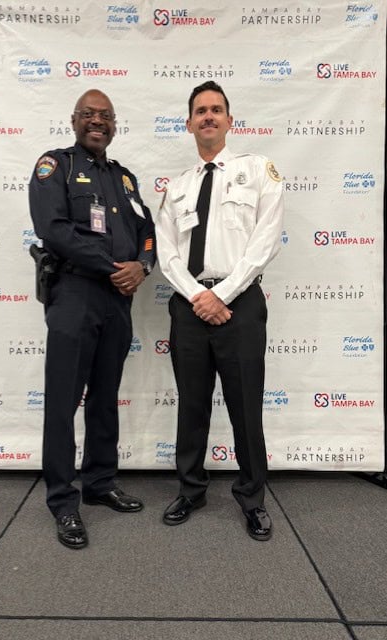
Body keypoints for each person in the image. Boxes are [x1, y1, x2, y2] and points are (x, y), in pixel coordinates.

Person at [155, 81, 284, 541]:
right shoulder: (177, 187)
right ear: (189, 123)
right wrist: (199, 297)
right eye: (200, 111)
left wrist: (222, 294)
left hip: (240, 304)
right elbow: (167, 252)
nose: (208, 116)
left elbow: (265, 242)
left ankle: (252, 498)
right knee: (191, 405)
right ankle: (191, 490)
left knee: (245, 405)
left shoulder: (258, 171)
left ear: (230, 120)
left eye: (216, 109)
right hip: (190, 305)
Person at [29, 89, 155, 549]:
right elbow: (53, 229)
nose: (97, 121)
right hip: (75, 294)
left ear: (115, 125)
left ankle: (100, 482)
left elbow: (147, 231)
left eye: (105, 116)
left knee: (105, 397)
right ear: (74, 120)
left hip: (117, 301)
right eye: (89, 114)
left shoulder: (124, 179)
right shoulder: (55, 166)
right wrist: (113, 267)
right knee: (64, 401)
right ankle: (64, 502)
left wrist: (142, 266)